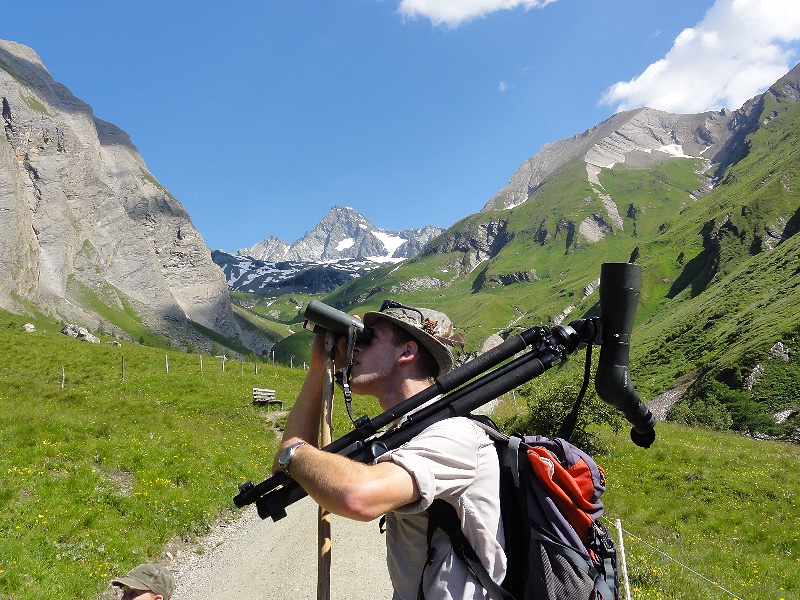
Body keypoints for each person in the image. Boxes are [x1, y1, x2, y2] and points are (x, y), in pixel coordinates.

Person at [273, 302, 506, 599]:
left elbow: (357, 497)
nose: (355, 347)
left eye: (369, 337)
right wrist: (321, 368)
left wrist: (293, 452)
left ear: (406, 352)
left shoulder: (456, 435)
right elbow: (289, 473)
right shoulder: (401, 436)